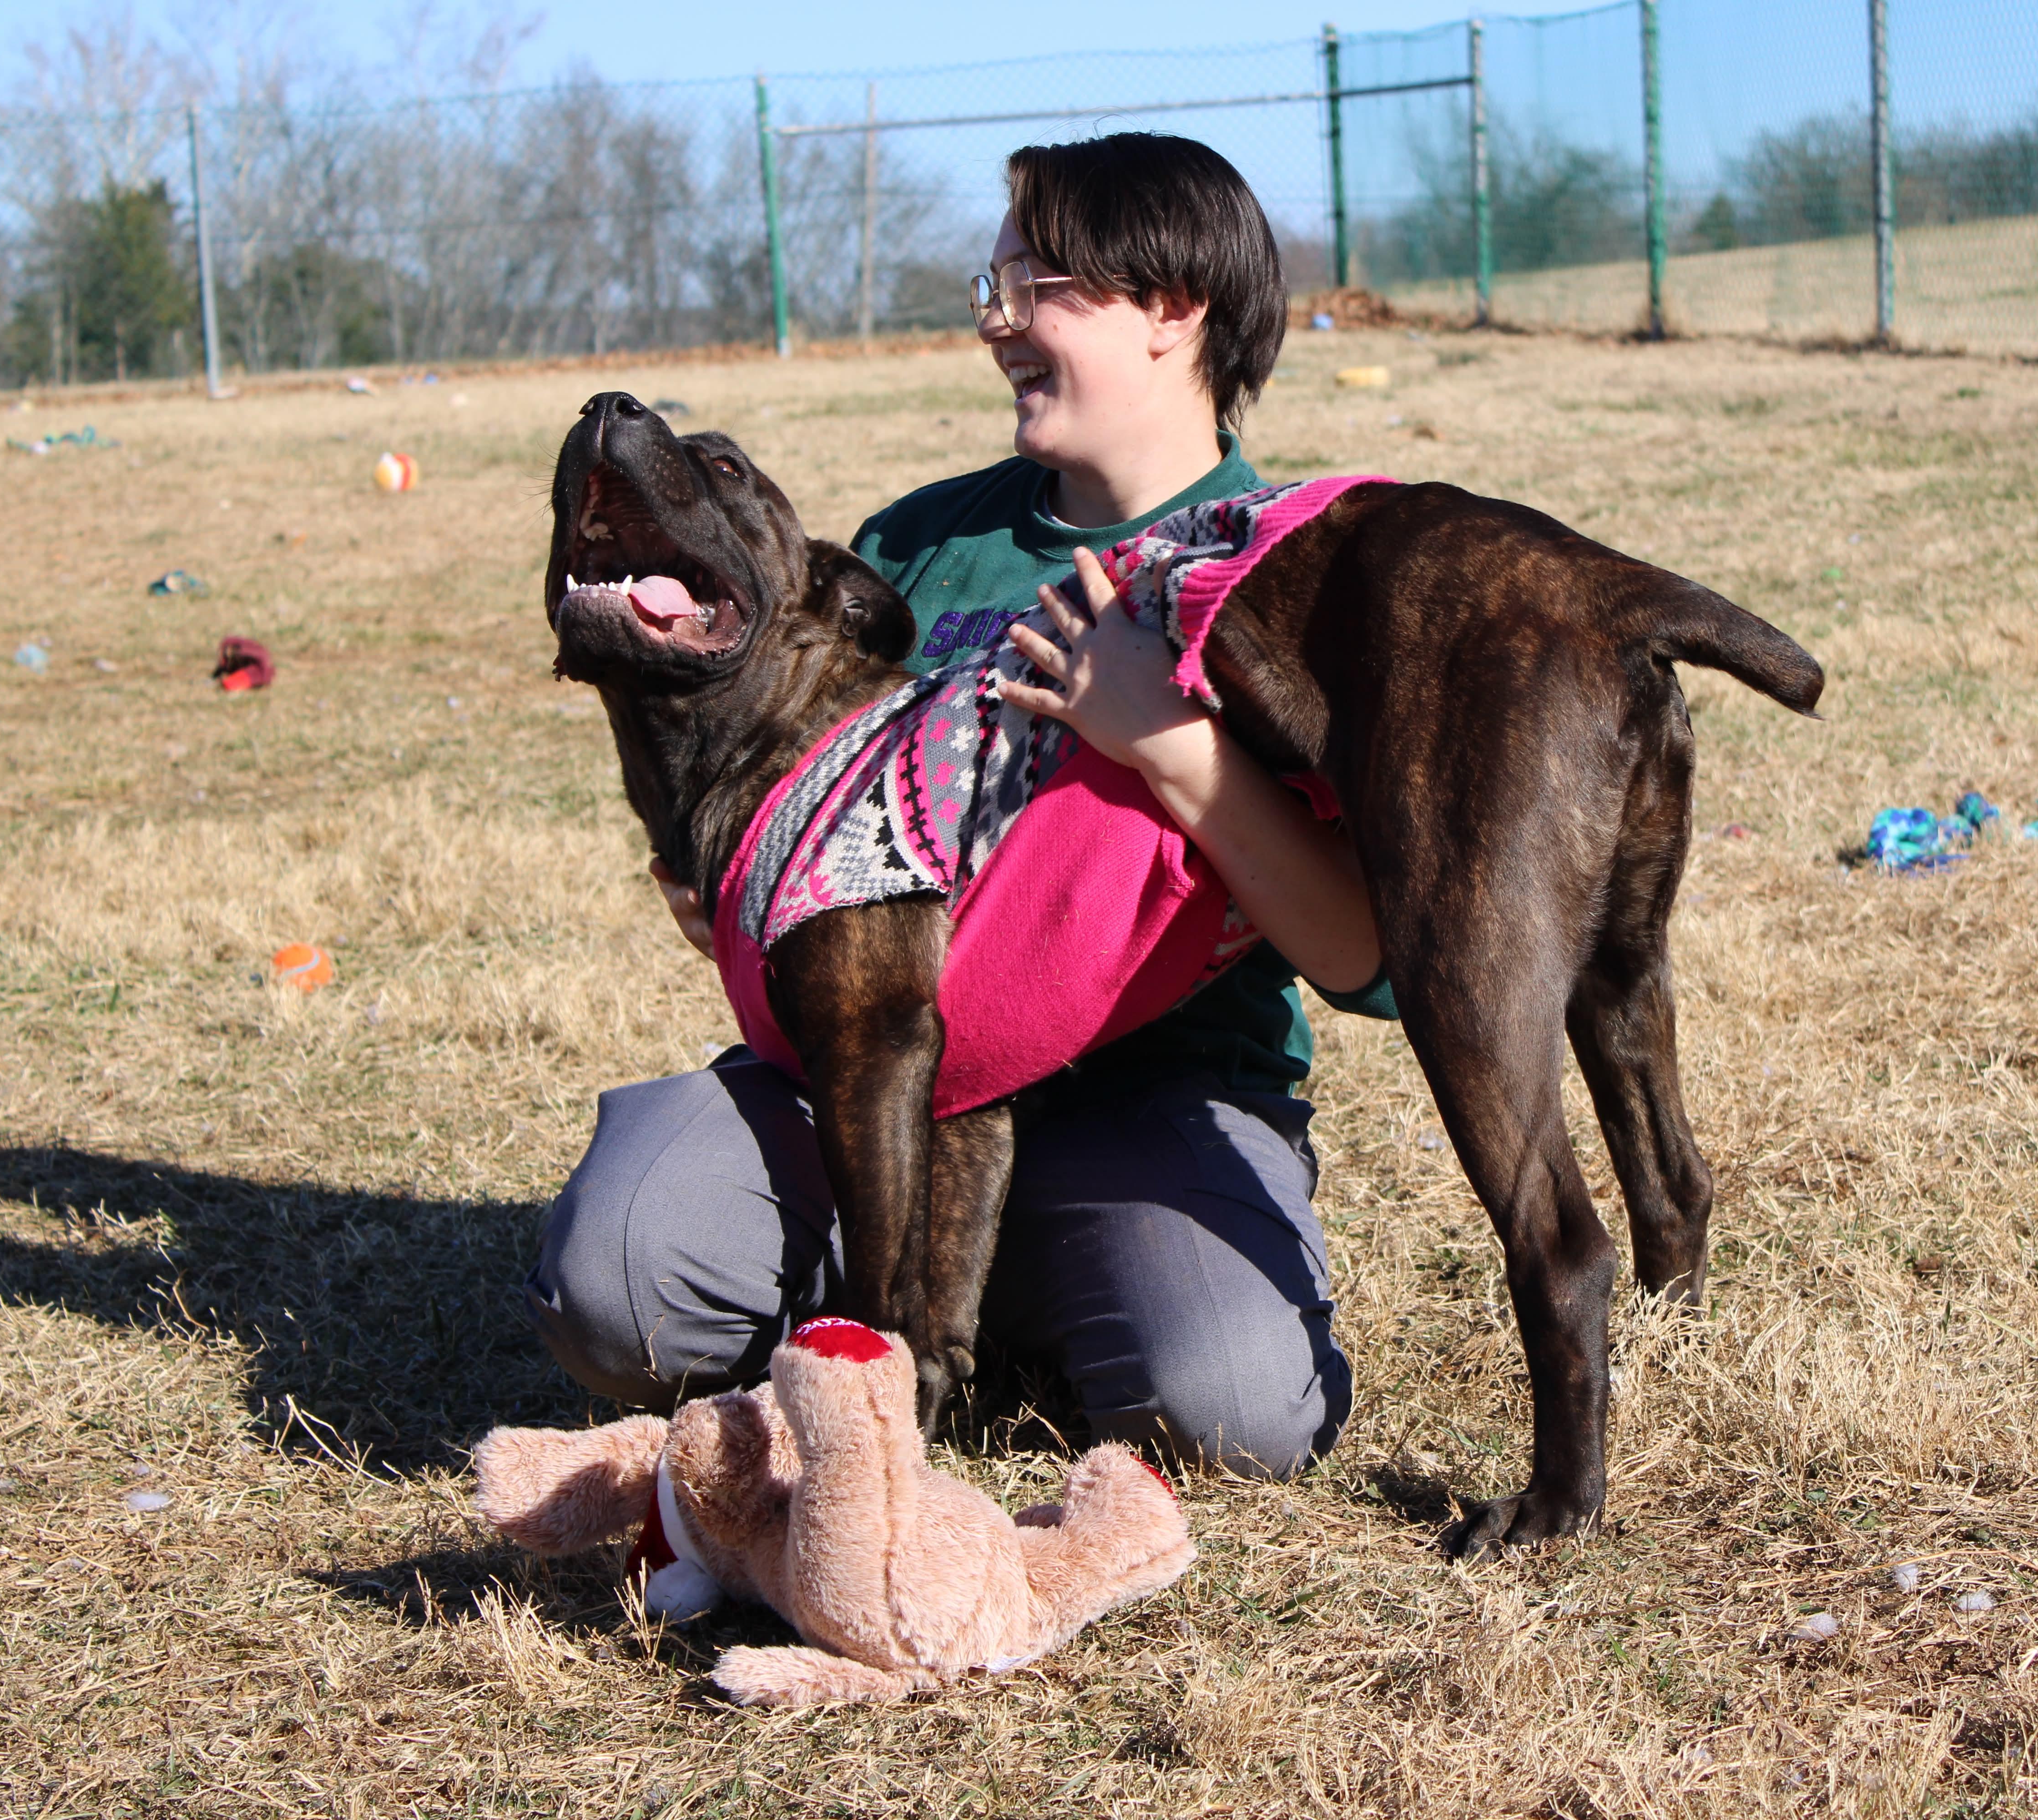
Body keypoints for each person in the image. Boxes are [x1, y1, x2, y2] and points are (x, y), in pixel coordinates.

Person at [525, 134, 1394, 1481]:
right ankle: (931, 1300)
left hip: (1153, 1098)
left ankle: (1002, 1296)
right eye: (991, 286)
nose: (997, 323)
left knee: (1232, 1415)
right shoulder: (925, 546)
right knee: (620, 1291)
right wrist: (734, 897)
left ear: (1173, 309)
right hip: (869, 1084)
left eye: (1035, 285)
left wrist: (1168, 746)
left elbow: (1367, 962)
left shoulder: (1283, 570)